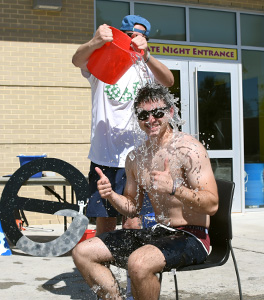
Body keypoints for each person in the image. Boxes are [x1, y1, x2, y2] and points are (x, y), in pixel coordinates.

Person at [72, 83, 219, 300]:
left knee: (139, 263)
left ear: (170, 112)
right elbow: (132, 208)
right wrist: (111, 194)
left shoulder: (190, 149)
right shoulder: (136, 157)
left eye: (157, 113)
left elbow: (212, 205)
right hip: (158, 232)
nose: (150, 120)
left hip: (192, 236)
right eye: (143, 114)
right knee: (82, 252)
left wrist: (174, 188)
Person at [72, 15, 174, 235]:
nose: (133, 40)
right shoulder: (104, 60)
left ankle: (136, 268)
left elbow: (169, 81)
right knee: (106, 222)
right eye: (128, 35)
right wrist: (95, 42)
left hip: (138, 158)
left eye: (139, 36)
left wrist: (147, 56)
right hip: (104, 157)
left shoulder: (145, 68)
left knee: (133, 221)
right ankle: (103, 266)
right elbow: (77, 60)